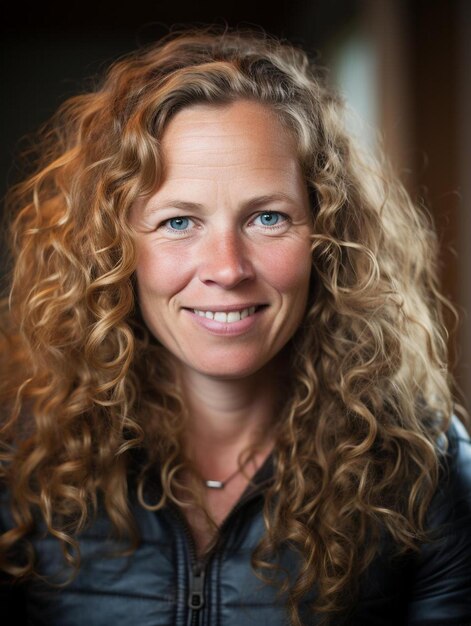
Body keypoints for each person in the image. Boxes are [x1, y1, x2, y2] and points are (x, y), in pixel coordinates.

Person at [0, 25, 470, 626]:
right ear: (111, 248)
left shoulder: (424, 469)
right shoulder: (20, 460)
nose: (226, 268)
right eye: (178, 222)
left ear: (327, 239)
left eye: (269, 217)